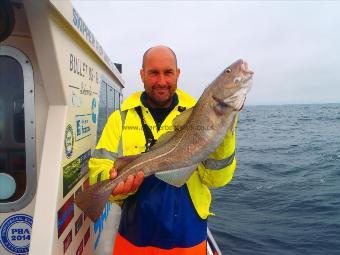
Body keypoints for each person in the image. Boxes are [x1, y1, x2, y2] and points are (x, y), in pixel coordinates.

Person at [88, 45, 238, 255]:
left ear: (178, 73)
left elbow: (217, 180)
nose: (161, 81)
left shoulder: (199, 113)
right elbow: (98, 172)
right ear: (142, 74)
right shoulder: (119, 119)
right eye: (153, 73)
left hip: (188, 238)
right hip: (134, 236)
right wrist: (114, 183)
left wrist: (225, 131)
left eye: (168, 72)